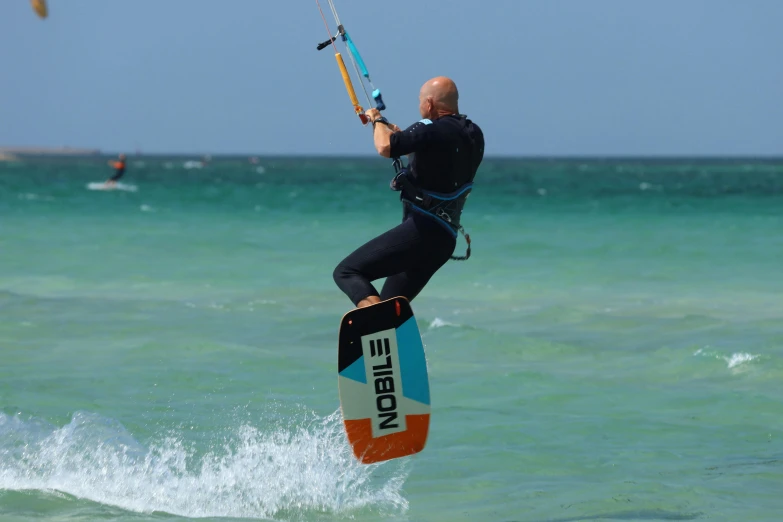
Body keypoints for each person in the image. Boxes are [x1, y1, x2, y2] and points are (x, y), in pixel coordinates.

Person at [333, 76, 485, 308]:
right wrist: (402, 135)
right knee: (391, 304)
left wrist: (377, 120)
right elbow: (438, 158)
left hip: (423, 231)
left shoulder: (429, 128)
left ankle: (377, 323)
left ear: (430, 104)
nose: (419, 105)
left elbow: (385, 147)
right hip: (444, 240)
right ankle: (391, 335)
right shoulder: (473, 133)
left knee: (347, 272)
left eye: (420, 101)